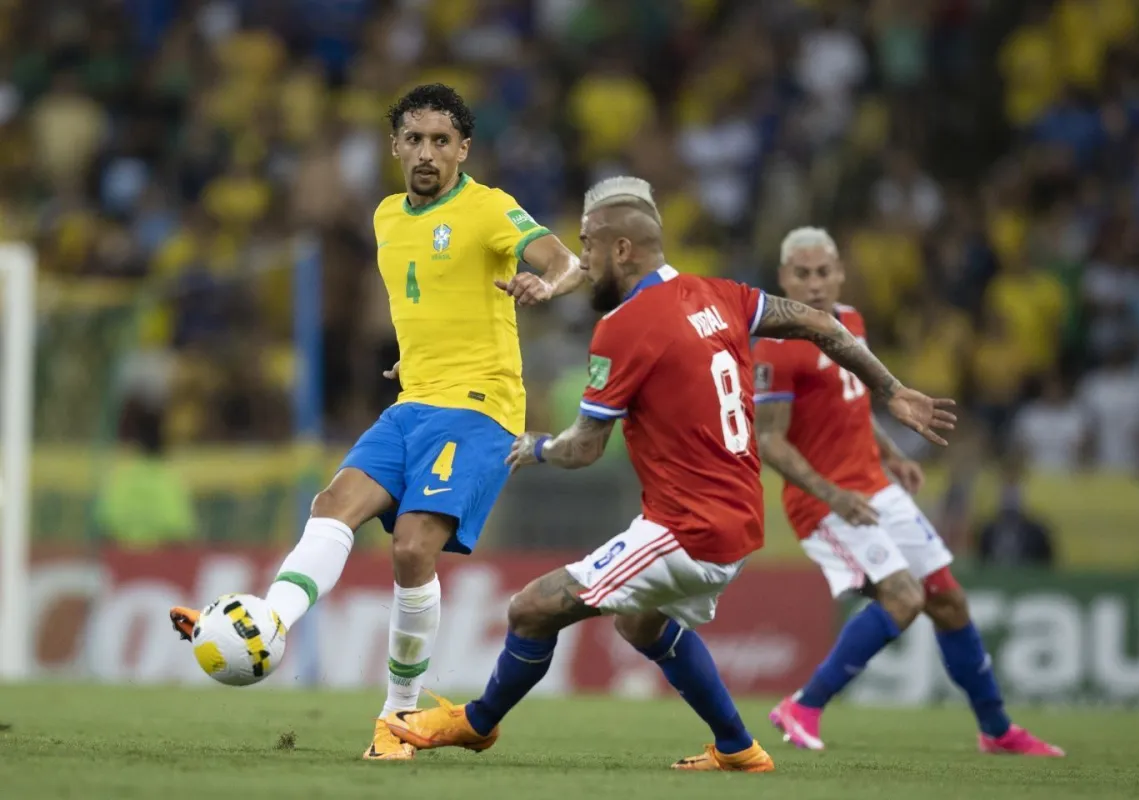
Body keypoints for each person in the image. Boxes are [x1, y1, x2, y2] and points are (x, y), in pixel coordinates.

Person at [384, 178, 955, 771]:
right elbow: (821, 323)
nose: (582, 260)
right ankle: (737, 747)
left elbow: (584, 449)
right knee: (640, 621)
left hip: (690, 529)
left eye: (588, 247)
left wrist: (539, 448)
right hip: (736, 520)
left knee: (531, 608)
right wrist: (891, 389)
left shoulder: (625, 327)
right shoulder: (721, 294)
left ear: (622, 250)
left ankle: (477, 723)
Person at [168, 84, 585, 761]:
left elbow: (565, 259)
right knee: (331, 506)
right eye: (414, 139)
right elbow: (426, 303)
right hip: (413, 400)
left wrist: (549, 285)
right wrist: (410, 361)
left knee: (413, 547)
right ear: (394, 147)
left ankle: (398, 718)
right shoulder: (388, 216)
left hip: (480, 407)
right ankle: (264, 624)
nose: (427, 152)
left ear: (464, 149)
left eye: (441, 141)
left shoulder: (489, 209)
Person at [753, 227, 1063, 757]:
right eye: (801, 274)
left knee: (949, 601)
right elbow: (769, 441)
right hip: (826, 504)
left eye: (823, 271)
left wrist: (891, 453)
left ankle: (996, 729)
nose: (814, 283)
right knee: (904, 597)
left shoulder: (849, 321)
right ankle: (803, 705)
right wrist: (831, 493)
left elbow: (850, 402)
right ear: (783, 279)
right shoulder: (776, 348)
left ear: (840, 273)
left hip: (876, 486)